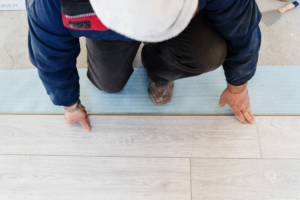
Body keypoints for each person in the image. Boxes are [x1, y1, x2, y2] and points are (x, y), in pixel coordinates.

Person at [26, 0, 261, 132]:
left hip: (181, 18)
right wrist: (69, 104)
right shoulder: (52, 4)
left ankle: (158, 65)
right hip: (108, 30)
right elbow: (49, 54)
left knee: (208, 52)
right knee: (108, 84)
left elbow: (243, 30)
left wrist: (237, 86)